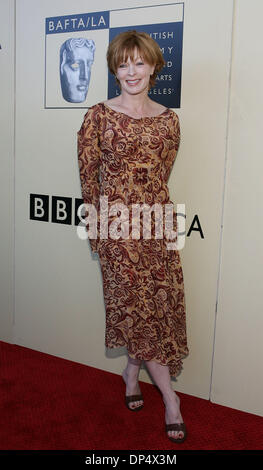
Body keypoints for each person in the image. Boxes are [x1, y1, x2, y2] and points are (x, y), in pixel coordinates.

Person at [77, 30, 189, 443]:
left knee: (159, 307)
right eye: (123, 64)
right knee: (138, 309)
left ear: (154, 66)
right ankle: (171, 399)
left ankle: (130, 372)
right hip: (118, 231)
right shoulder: (98, 116)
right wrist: (96, 233)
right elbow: (89, 179)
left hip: (158, 228)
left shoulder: (169, 120)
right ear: (114, 69)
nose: (131, 71)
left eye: (138, 62)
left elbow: (162, 176)